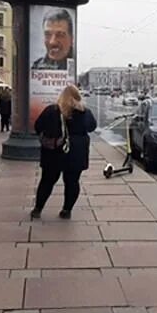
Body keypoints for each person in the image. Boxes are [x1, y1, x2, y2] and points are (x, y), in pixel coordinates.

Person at [31, 85, 97, 220]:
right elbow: (92, 127)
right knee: (72, 182)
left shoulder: (52, 110)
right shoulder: (85, 112)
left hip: (54, 152)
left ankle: (38, 208)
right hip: (76, 152)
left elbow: (38, 126)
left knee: (47, 180)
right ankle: (67, 210)